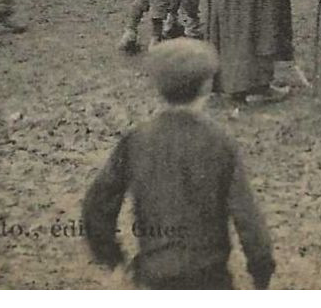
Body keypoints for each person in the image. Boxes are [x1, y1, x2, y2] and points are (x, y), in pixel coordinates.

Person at [82, 40, 275, 290]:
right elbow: (247, 216)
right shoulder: (219, 142)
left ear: (158, 87)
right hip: (210, 277)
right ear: (206, 85)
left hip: (154, 276)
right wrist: (261, 269)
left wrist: (112, 257)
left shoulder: (136, 140)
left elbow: (98, 204)